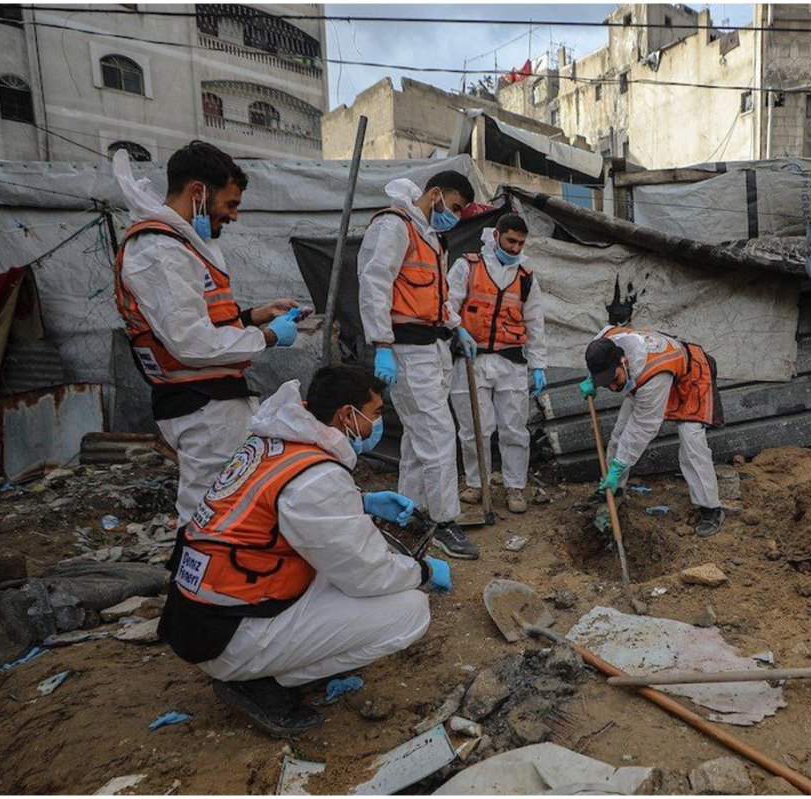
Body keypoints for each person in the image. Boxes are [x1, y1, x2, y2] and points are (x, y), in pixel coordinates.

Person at [158, 365, 452, 737]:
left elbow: (285, 505)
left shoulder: (271, 444)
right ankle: (261, 682)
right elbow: (369, 574)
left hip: (201, 613)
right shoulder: (317, 476)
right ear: (347, 415)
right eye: (375, 413)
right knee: (410, 609)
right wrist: (424, 571)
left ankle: (266, 665)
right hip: (227, 635)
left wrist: (361, 501)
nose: (377, 423)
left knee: (334, 569)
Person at [112, 142, 307, 527]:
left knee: (229, 506)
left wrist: (252, 317)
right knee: (211, 515)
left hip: (211, 401)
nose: (233, 215)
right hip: (201, 405)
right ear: (198, 192)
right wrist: (266, 337)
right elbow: (190, 342)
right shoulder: (159, 248)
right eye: (230, 204)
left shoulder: (181, 245)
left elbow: (200, 320)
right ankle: (195, 567)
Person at [357, 171, 479, 559]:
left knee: (416, 438)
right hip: (407, 348)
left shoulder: (431, 238)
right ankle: (443, 521)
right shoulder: (396, 225)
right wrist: (381, 344)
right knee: (439, 435)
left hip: (432, 345)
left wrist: (457, 327)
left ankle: (408, 513)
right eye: (454, 207)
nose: (454, 217)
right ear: (435, 194)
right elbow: (375, 284)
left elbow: (436, 296)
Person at [580, 326, 724, 536]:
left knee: (692, 444)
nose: (612, 388)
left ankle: (711, 508)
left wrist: (619, 464)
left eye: (614, 379)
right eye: (605, 383)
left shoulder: (651, 375)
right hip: (647, 377)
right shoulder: (606, 342)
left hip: (690, 377)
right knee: (619, 434)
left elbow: (642, 427)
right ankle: (613, 489)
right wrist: (592, 380)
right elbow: (602, 359)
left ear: (624, 361)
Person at [447, 214, 546, 514]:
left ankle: (515, 486)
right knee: (473, 428)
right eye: (510, 241)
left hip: (511, 361)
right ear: (496, 236)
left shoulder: (526, 277)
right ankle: (477, 483)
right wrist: (457, 329)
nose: (515, 248)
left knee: (514, 427)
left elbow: (535, 323)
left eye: (520, 243)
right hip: (470, 358)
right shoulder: (468, 266)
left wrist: (538, 365)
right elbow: (447, 304)